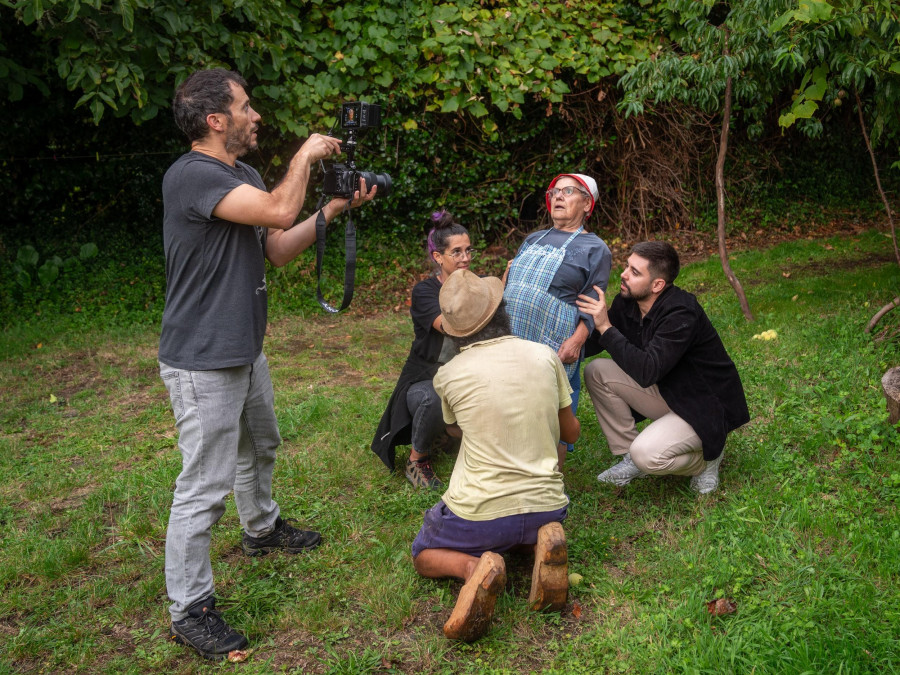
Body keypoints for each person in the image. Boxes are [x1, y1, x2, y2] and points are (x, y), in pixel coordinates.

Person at [158, 68, 375, 660]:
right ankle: (189, 606)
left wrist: (330, 209)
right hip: (204, 360)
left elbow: (277, 246)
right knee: (203, 486)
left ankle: (261, 530)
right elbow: (280, 211)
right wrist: (306, 154)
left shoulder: (244, 175)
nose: (256, 117)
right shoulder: (192, 176)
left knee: (262, 444)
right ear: (216, 120)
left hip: (243, 348)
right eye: (246, 107)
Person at [411, 269, 581, 642]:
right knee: (527, 523)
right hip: (548, 507)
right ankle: (540, 544)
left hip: (479, 516)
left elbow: (456, 430)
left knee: (423, 553)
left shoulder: (449, 374)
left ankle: (475, 566)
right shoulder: (544, 356)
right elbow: (571, 433)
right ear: (501, 310)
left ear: (455, 331)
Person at [575, 241, 750, 494]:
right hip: (670, 390)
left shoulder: (681, 312)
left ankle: (708, 459)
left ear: (657, 285)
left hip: (705, 405)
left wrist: (605, 327)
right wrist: (568, 343)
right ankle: (629, 457)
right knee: (597, 371)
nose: (623, 275)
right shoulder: (628, 303)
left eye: (635, 272)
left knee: (647, 455)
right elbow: (594, 343)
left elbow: (647, 371)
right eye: (627, 266)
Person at [503, 173, 611, 453]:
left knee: (552, 414)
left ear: (587, 204)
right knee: (509, 405)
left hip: (553, 342)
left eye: (568, 192)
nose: (558, 196)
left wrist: (577, 341)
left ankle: (554, 482)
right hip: (511, 337)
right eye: (554, 192)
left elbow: (592, 305)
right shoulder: (534, 238)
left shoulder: (595, 249)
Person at [371, 210, 473, 488]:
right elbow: (451, 326)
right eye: (456, 252)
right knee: (434, 397)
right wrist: (488, 298)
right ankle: (417, 460)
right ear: (438, 257)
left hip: (466, 375)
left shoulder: (477, 286)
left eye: (468, 250)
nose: (465, 257)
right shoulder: (425, 291)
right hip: (426, 379)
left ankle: (445, 434)